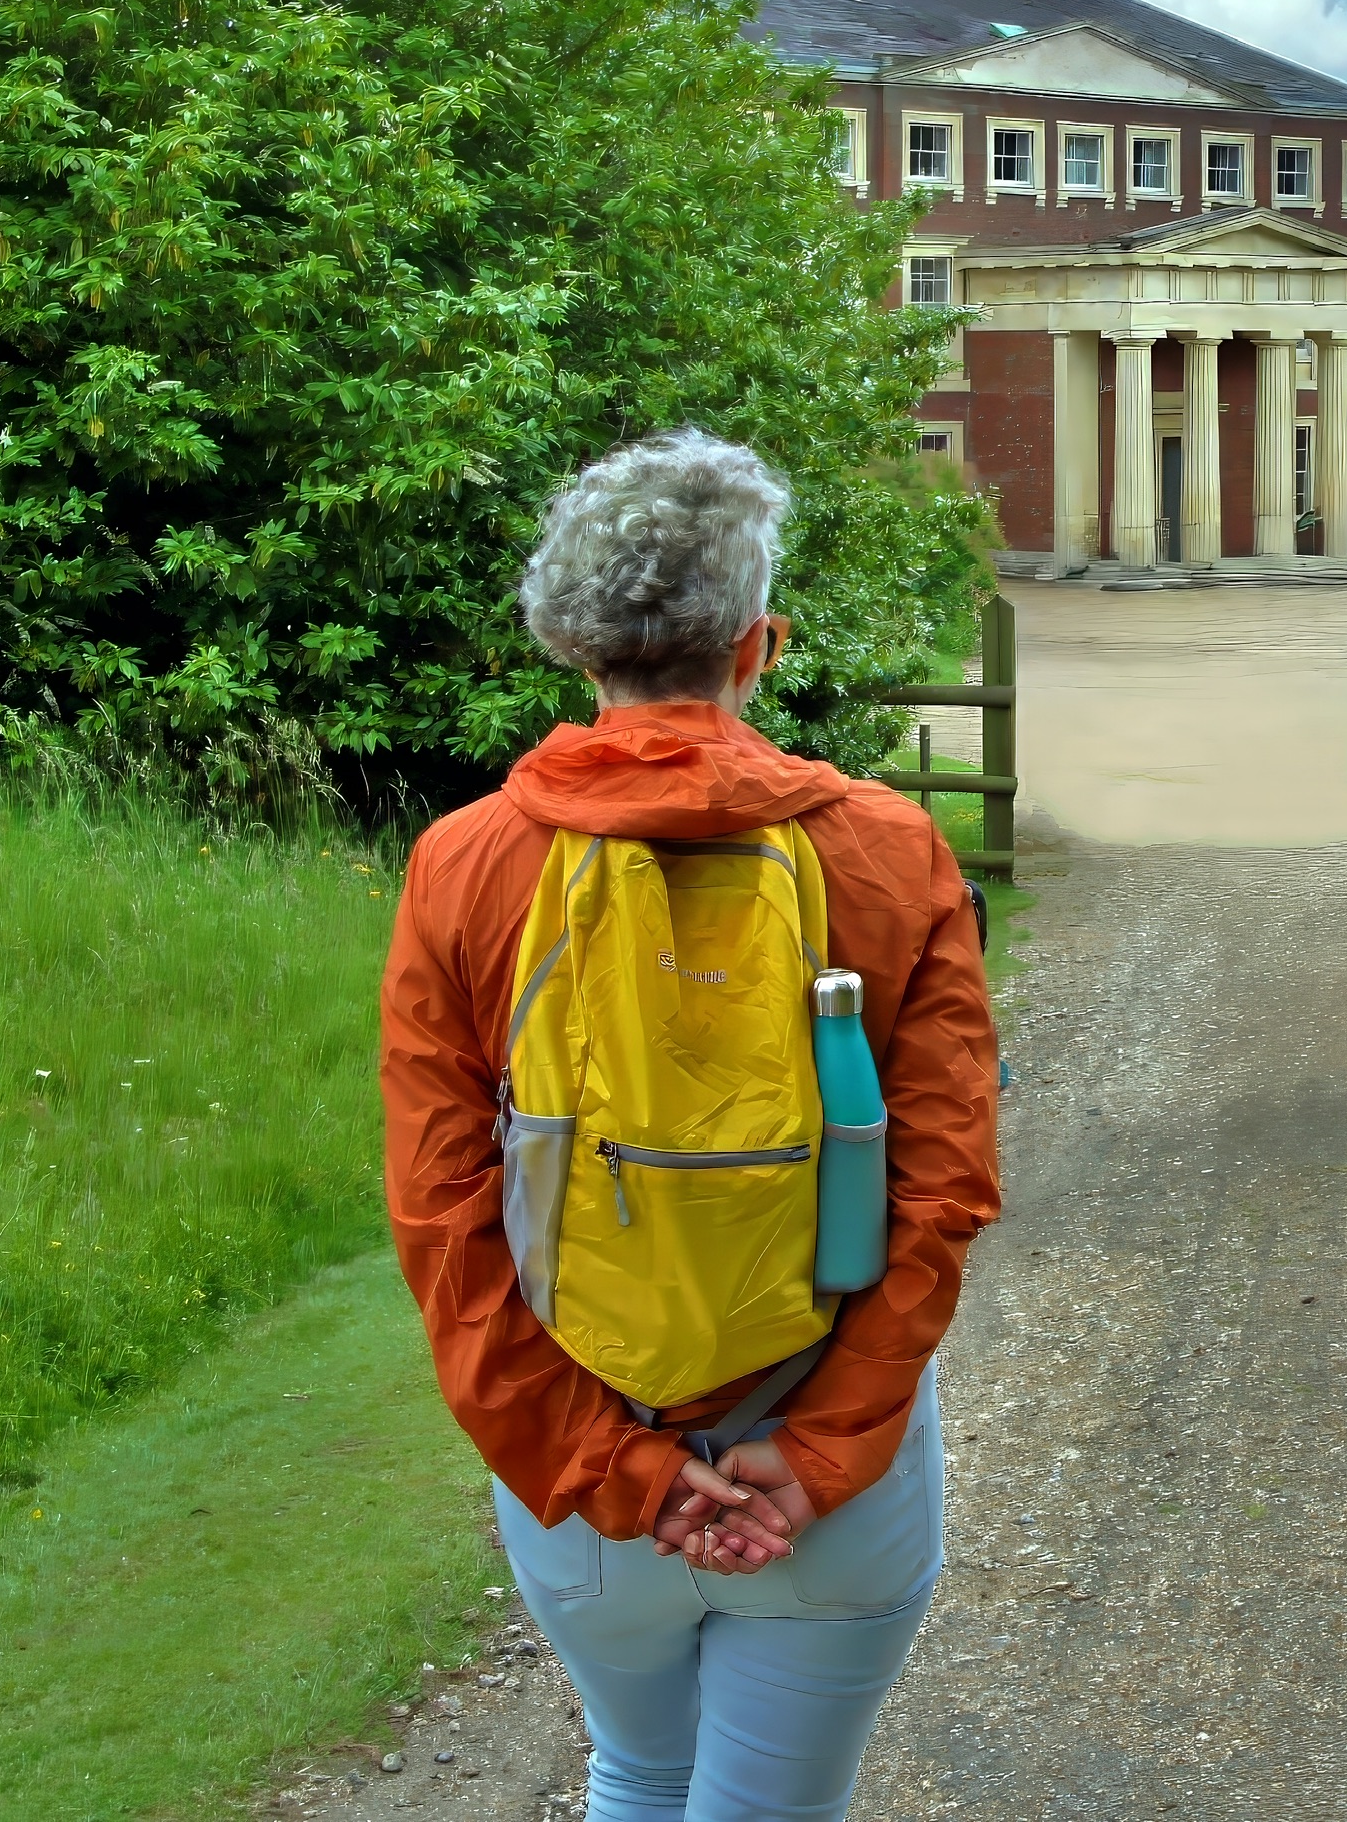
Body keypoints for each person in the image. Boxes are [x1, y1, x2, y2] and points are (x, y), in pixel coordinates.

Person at [380, 429, 1000, 1820]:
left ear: (571, 645)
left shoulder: (467, 866)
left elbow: (445, 1225)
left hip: (584, 1482)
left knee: (641, 1766)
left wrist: (627, 1474)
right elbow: (944, 1189)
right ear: (759, 645)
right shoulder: (890, 852)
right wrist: (827, 1448)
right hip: (826, 1477)